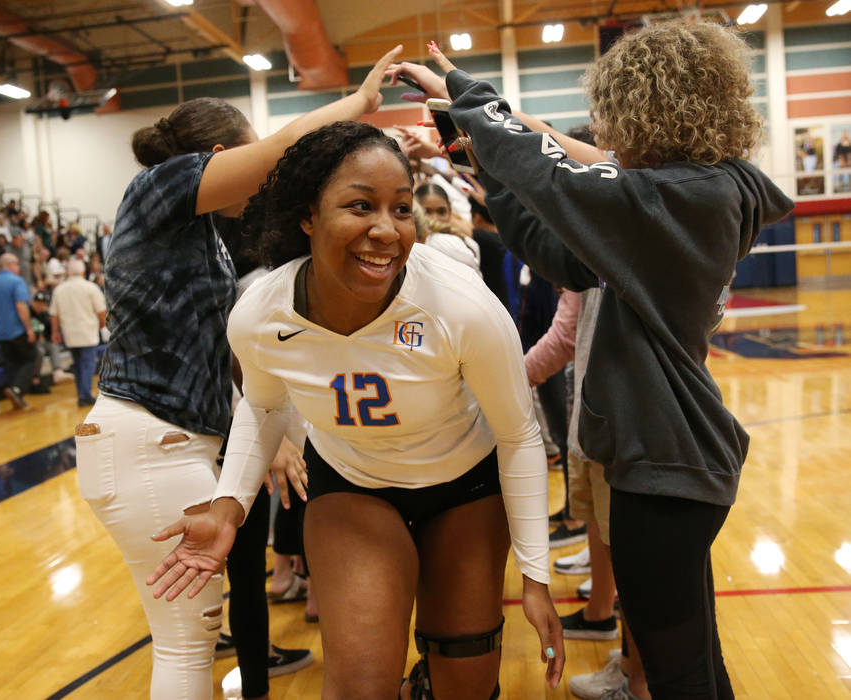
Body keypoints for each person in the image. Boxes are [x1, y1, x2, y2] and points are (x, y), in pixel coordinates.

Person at [391, 25, 794, 700]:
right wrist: (479, 144)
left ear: (644, 107)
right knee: (692, 660)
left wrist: (467, 99)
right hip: (670, 459)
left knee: (676, 673)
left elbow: (553, 169)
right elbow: (563, 255)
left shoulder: (679, 199)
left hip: (666, 462)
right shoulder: (700, 193)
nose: (606, 129)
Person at [147, 121, 564, 699]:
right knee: (360, 683)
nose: (386, 230)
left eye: (400, 208)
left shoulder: (461, 304)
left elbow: (519, 434)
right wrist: (228, 506)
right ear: (307, 216)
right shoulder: (261, 312)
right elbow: (264, 408)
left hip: (466, 487)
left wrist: (537, 576)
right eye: (360, 206)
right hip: (353, 487)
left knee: (465, 684)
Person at [78, 46, 405, 700]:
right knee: (185, 640)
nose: (260, 181)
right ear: (219, 155)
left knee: (189, 639)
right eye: (248, 159)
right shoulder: (161, 187)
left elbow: (212, 353)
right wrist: (360, 106)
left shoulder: (196, 229)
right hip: (148, 444)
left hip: (169, 442)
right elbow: (285, 148)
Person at [49, 259, 106, 407]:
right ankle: (85, 395)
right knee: (87, 365)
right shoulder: (91, 288)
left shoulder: (59, 289)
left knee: (78, 364)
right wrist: (102, 325)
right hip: (87, 332)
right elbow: (101, 311)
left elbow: (53, 314)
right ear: (82, 271)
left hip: (69, 333)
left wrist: (55, 331)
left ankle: (82, 393)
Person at [0, 253, 37, 409]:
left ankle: (14, 394)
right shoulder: (17, 281)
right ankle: (17, 389)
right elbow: (21, 306)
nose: (18, 268)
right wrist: (28, 328)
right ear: (9, 265)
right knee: (30, 357)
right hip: (16, 329)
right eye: (17, 264)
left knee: (12, 363)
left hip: (0, 332)